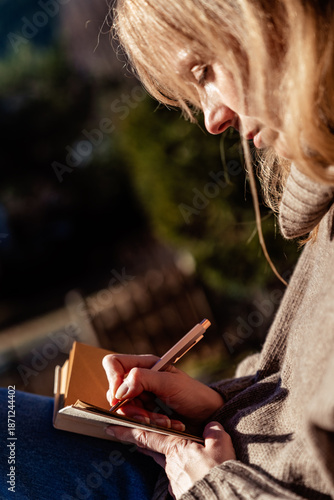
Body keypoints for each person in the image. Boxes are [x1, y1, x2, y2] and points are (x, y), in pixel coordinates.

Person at [0, 0, 333, 499]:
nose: (213, 118)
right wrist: (215, 404)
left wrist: (216, 488)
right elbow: (301, 394)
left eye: (203, 70)